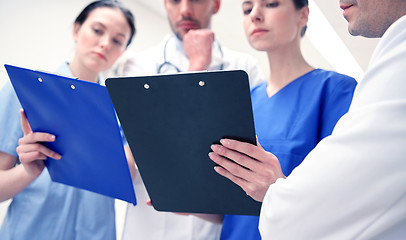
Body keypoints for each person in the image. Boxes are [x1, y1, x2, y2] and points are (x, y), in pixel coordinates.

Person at [211, 0, 406, 238]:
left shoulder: (336, 92)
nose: (255, 15)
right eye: (246, 9)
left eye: (271, 4)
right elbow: (231, 207)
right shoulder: (243, 100)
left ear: (303, 15)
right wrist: (186, 201)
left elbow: (344, 198)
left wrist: (275, 185)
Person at [120, 0, 265, 239]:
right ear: (166, 4)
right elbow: (145, 142)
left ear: (216, 4)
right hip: (147, 226)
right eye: (175, 0)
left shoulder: (245, 67)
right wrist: (197, 66)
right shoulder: (139, 65)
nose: (185, 9)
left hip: (210, 226)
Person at [0, 1, 136, 239]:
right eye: (97, 30)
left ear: (122, 52)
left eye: (117, 40)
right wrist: (28, 171)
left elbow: (127, 176)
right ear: (76, 30)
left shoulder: (123, 110)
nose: (105, 43)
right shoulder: (25, 92)